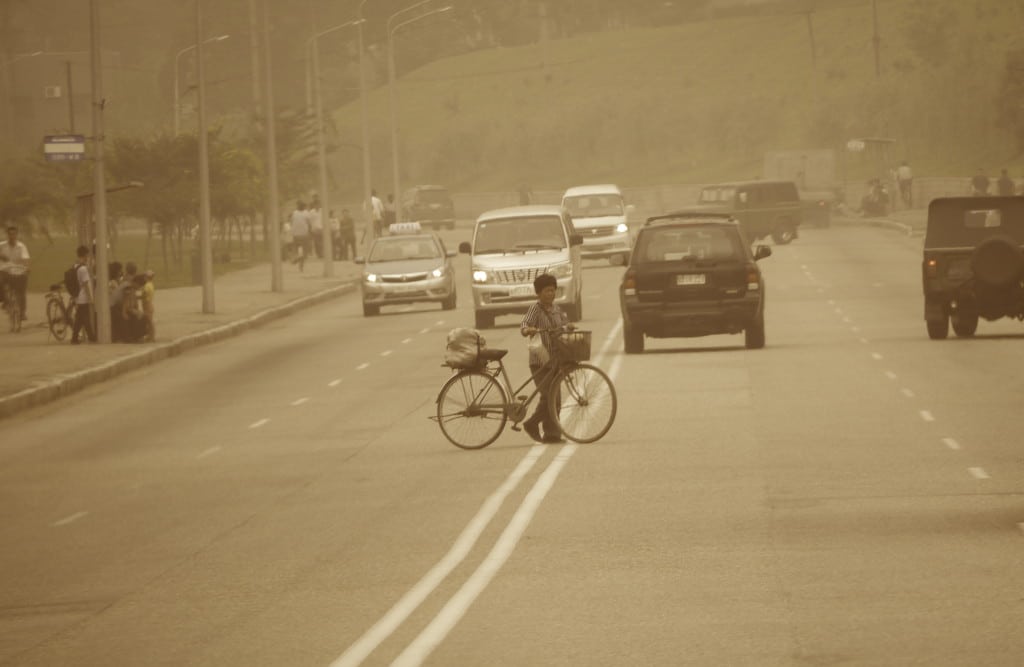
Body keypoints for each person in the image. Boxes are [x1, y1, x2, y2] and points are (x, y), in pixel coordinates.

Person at [519, 273, 573, 444]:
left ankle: (552, 434)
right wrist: (528, 330)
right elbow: (524, 325)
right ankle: (532, 423)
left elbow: (565, 323)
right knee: (549, 395)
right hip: (540, 362)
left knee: (555, 398)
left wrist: (569, 326)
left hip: (556, 360)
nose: (551, 294)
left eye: (553, 290)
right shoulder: (535, 309)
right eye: (547, 291)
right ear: (538, 293)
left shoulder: (557, 309)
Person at [0, 225, 30, 321]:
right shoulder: (2, 245)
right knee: (1, 283)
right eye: (10, 234)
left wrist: (27, 267)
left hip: (18, 271)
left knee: (21, 291)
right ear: (7, 235)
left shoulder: (21, 246)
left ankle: (22, 312)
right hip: (5, 270)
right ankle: (5, 301)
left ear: (16, 235)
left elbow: (26, 259)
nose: (12, 236)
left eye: (14, 234)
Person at [70, 245, 96, 343]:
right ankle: (92, 337)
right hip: (83, 297)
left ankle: (74, 338)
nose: (88, 257)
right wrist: (91, 298)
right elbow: (86, 285)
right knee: (86, 319)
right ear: (85, 255)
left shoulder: (75, 266)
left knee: (79, 319)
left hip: (77, 296)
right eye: (87, 255)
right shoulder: (83, 269)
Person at [291, 200, 311, 271]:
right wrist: (310, 233)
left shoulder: (294, 213)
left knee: (297, 249)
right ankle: (301, 264)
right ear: (304, 207)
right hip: (304, 235)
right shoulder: (306, 213)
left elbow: (292, 222)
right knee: (304, 252)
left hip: (296, 234)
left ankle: (296, 258)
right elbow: (309, 223)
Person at [141, 270, 156, 342]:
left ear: (146, 277)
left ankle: (152, 336)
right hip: (150, 304)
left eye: (145, 276)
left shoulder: (146, 286)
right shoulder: (151, 284)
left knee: (149, 322)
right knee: (148, 321)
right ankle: (150, 336)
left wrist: (140, 296)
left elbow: (144, 294)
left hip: (147, 304)